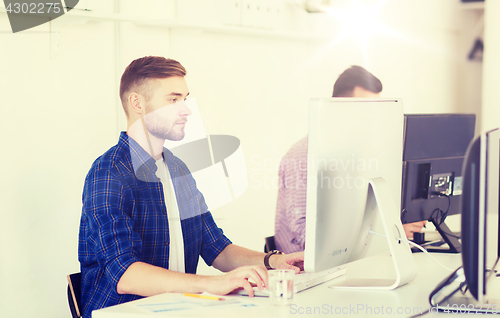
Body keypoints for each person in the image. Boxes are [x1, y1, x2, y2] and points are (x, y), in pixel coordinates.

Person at [78, 56, 304, 317]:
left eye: (185, 99)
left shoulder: (177, 169)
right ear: (137, 103)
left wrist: (273, 262)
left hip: (178, 310)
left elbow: (215, 247)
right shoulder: (109, 174)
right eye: (173, 100)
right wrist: (213, 284)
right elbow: (125, 274)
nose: (186, 110)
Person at [274, 65, 426, 254]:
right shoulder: (302, 155)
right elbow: (306, 237)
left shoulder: (362, 151)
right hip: (304, 272)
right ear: (339, 107)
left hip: (354, 261)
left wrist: (395, 224)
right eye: (366, 108)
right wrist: (389, 235)